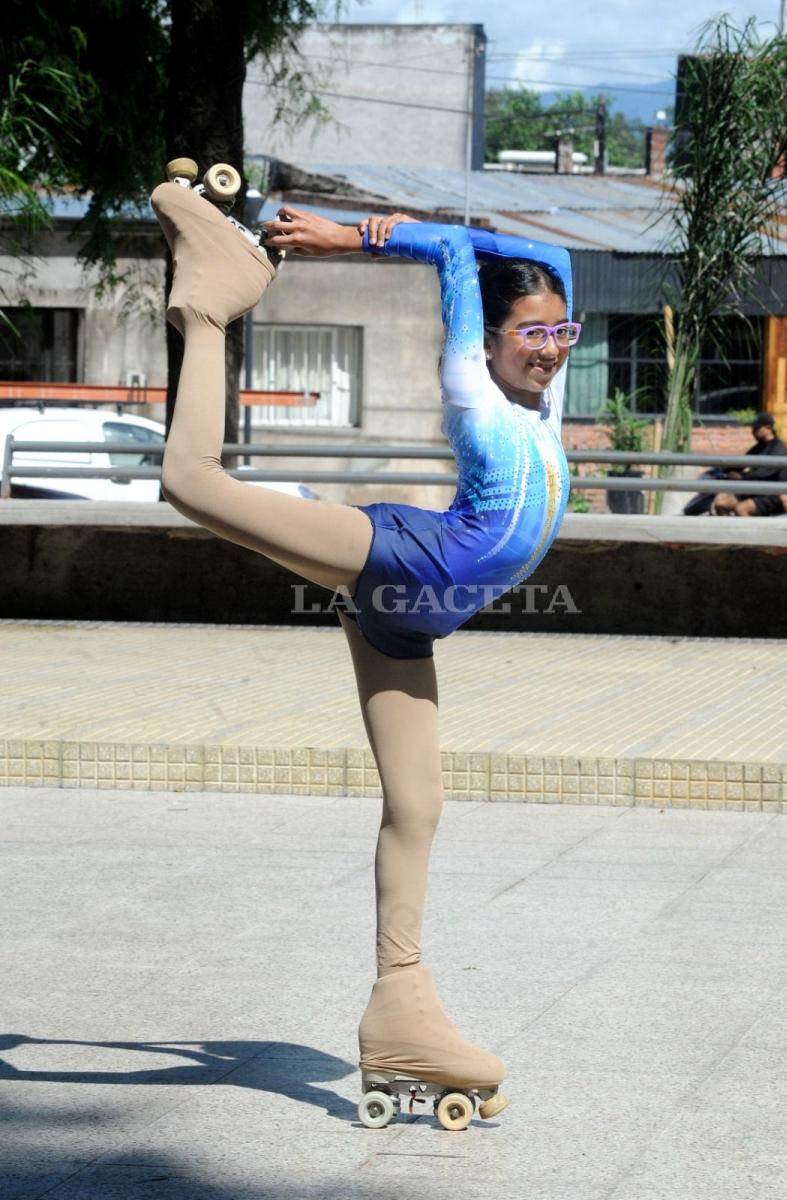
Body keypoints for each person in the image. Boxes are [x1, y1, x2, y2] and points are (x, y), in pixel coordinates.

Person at [149, 175, 579, 1127]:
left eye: (562, 335)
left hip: (414, 618)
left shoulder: (543, 401)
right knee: (191, 479)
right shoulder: (474, 380)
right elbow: (462, 257)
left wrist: (525, 281)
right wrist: (357, 240)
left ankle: (400, 1009)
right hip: (405, 556)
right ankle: (209, 306)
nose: (549, 349)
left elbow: (555, 261)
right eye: (532, 334)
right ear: (491, 341)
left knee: (418, 806)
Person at [712, 413, 787, 517]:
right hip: (756, 490)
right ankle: (730, 531)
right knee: (721, 503)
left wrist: (742, 476)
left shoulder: (778, 447)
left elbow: (768, 471)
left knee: (741, 509)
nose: (753, 431)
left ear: (768, 428)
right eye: (753, 428)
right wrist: (724, 468)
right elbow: (743, 462)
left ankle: (752, 533)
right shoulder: (759, 447)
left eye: (757, 428)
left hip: (772, 494)